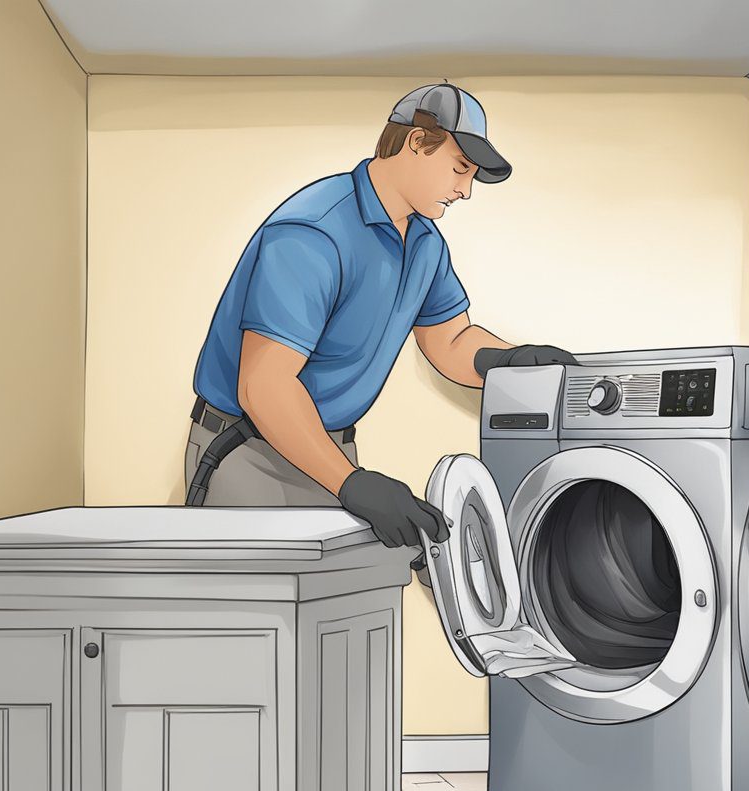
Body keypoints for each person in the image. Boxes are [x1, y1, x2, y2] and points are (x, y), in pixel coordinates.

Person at [184, 82, 577, 552]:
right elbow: (265, 387)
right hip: (247, 456)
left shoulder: (425, 242)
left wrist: (506, 360)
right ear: (416, 142)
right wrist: (354, 485)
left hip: (331, 453)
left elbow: (449, 341)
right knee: (260, 619)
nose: (466, 191)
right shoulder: (314, 233)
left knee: (342, 618)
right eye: (459, 169)